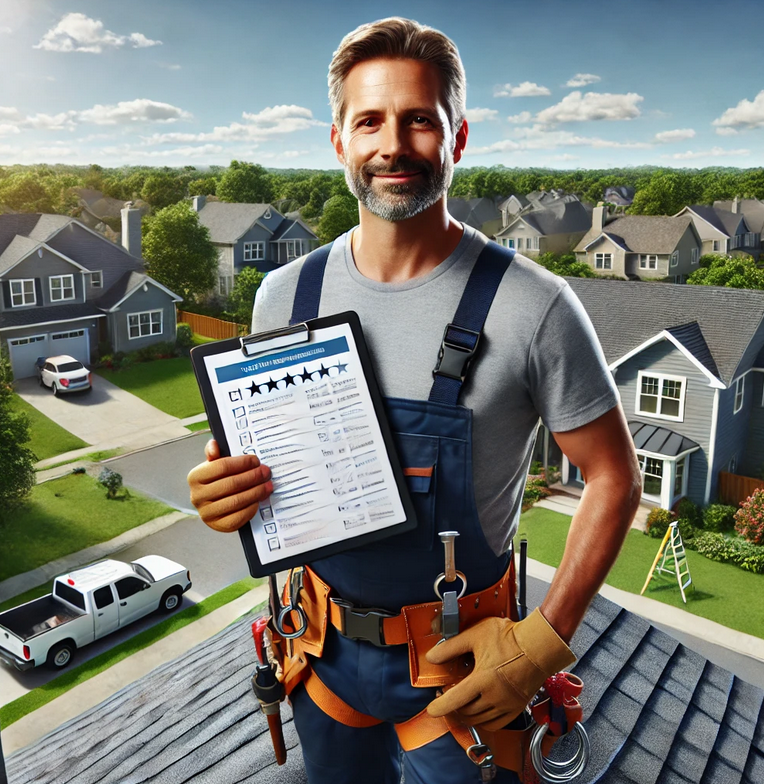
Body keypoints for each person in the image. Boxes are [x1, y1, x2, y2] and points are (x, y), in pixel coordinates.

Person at [188, 17, 641, 784]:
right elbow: (262, 462)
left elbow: (612, 477)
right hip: (321, 655)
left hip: (462, 673)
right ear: (338, 141)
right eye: (368, 120)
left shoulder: (532, 305)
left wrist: (543, 640)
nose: (391, 145)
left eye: (418, 120)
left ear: (456, 139)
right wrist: (225, 486)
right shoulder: (282, 295)